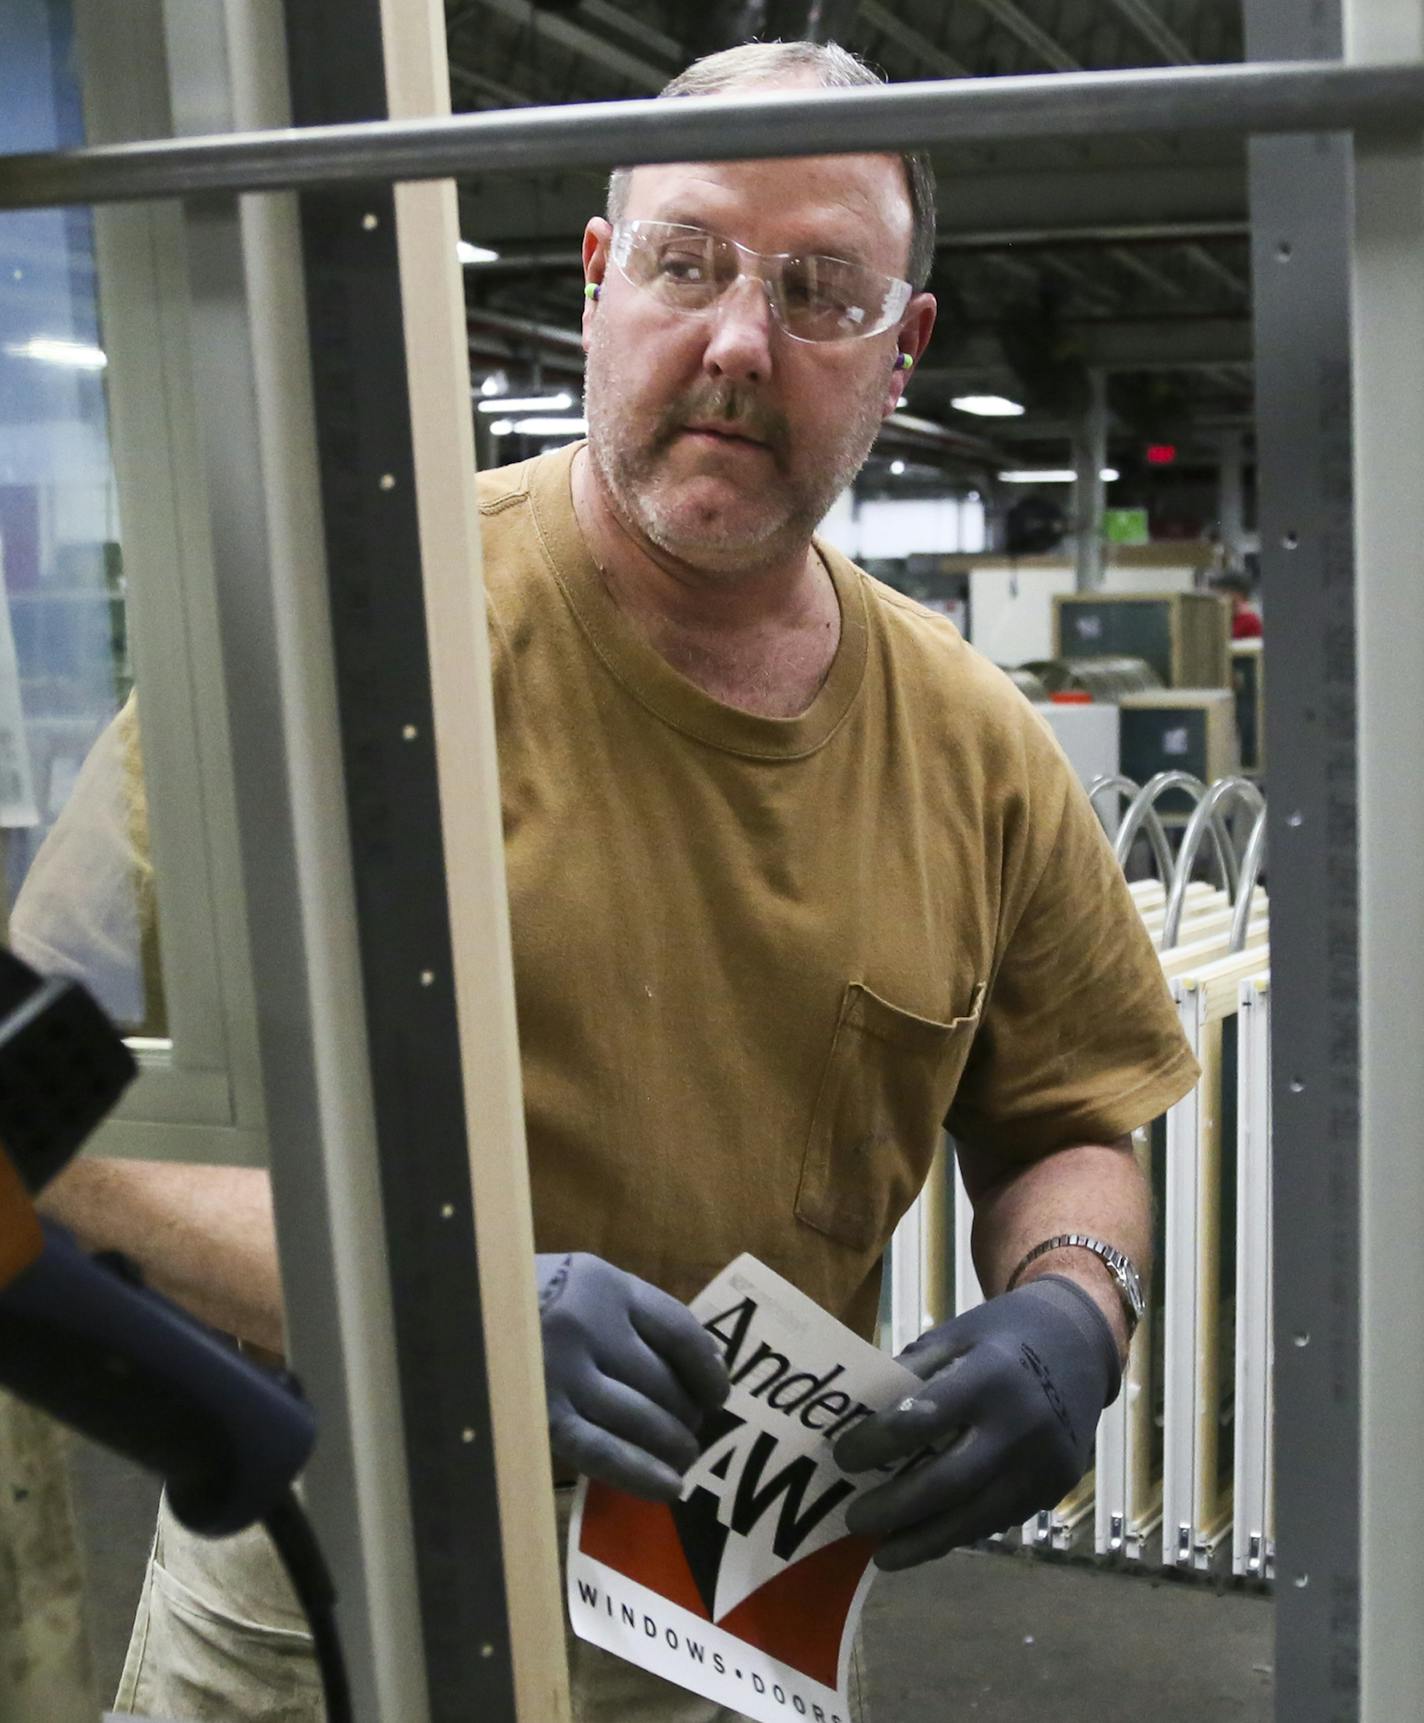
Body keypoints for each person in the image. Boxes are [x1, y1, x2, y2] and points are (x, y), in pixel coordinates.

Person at [16, 39, 1199, 1723]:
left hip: (732, 1609)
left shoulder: (972, 744)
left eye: (819, 289)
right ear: (593, 281)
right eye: (684, 262)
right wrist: (439, 1296)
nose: (736, 339)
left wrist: (1075, 1304)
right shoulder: (334, 641)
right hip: (325, 1582)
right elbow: (51, 1120)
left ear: (901, 349)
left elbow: (1071, 1112)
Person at [1212, 569, 1263, 639]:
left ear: (1238, 594)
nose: (1220, 598)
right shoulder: (1226, 616)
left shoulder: (1250, 621)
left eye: (1223, 593)